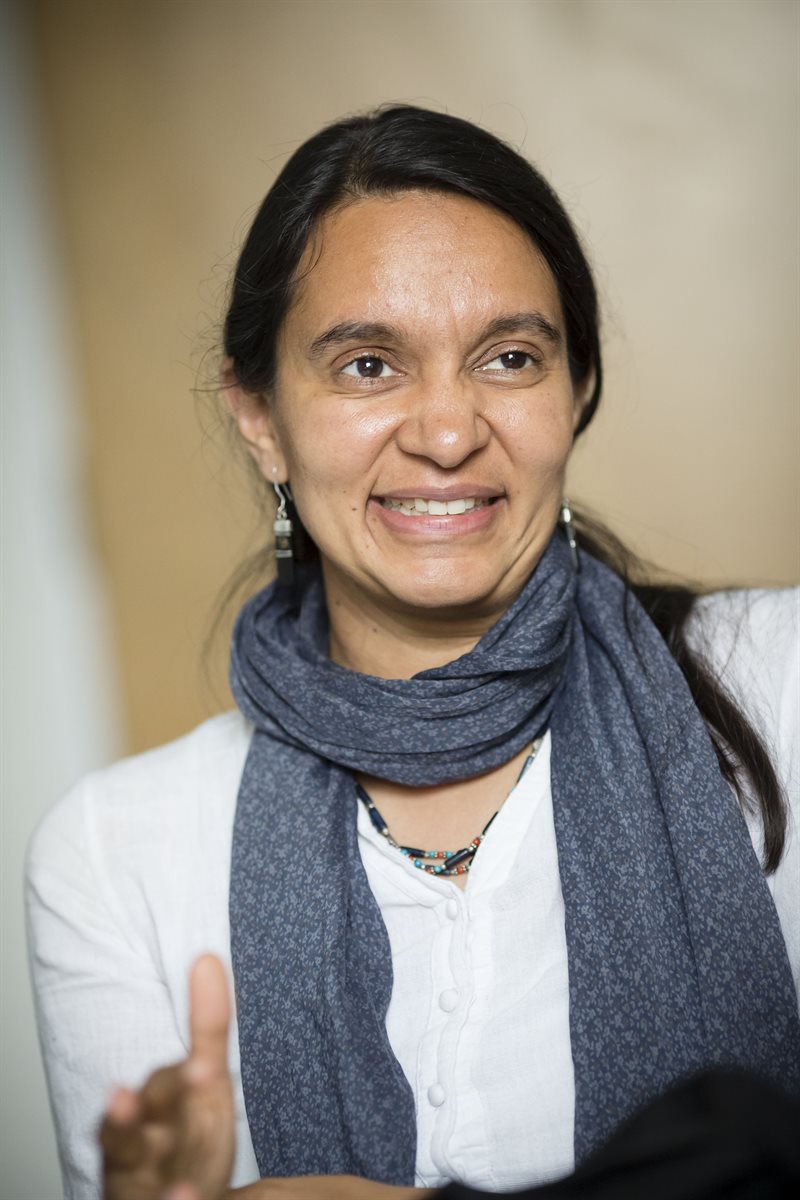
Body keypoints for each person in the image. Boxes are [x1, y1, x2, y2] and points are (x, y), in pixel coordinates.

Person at [26, 106, 799, 1200]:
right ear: (259, 416)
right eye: (368, 365)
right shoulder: (114, 854)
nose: (446, 433)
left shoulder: (778, 684)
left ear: (576, 389)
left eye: (510, 357)